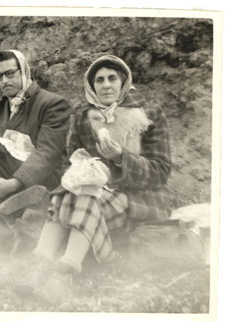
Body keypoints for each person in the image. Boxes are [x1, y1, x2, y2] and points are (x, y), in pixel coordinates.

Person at [34, 55, 171, 276]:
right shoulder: (84, 117)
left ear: (123, 81)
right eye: (99, 80)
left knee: (85, 197)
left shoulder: (149, 114)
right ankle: (41, 262)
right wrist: (81, 174)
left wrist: (120, 157)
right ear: (92, 85)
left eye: (112, 78)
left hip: (138, 197)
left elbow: (161, 172)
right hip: (95, 195)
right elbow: (72, 162)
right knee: (68, 194)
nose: (106, 85)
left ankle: (66, 267)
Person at [0, 50, 72, 214]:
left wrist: (13, 183)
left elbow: (48, 153)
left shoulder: (52, 103)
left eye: (9, 74)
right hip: (6, 176)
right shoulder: (3, 108)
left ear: (24, 72)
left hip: (39, 178)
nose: (4, 81)